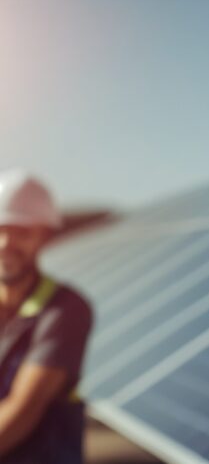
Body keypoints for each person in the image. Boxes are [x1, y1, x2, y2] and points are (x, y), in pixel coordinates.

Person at [0, 169, 92, 463]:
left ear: (45, 236)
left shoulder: (66, 309)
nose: (6, 244)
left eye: (22, 231)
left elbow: (21, 413)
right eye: (0, 229)